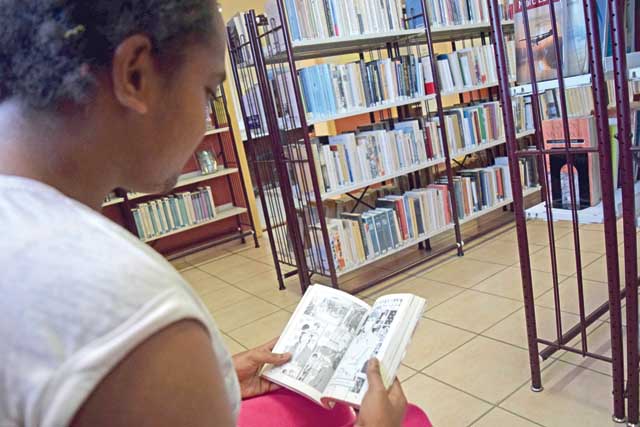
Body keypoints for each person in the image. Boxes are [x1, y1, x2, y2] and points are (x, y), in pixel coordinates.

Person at [0, 1, 431, 427]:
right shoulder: (127, 307)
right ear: (135, 74)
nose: (206, 121)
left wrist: (221, 377)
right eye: (208, 90)